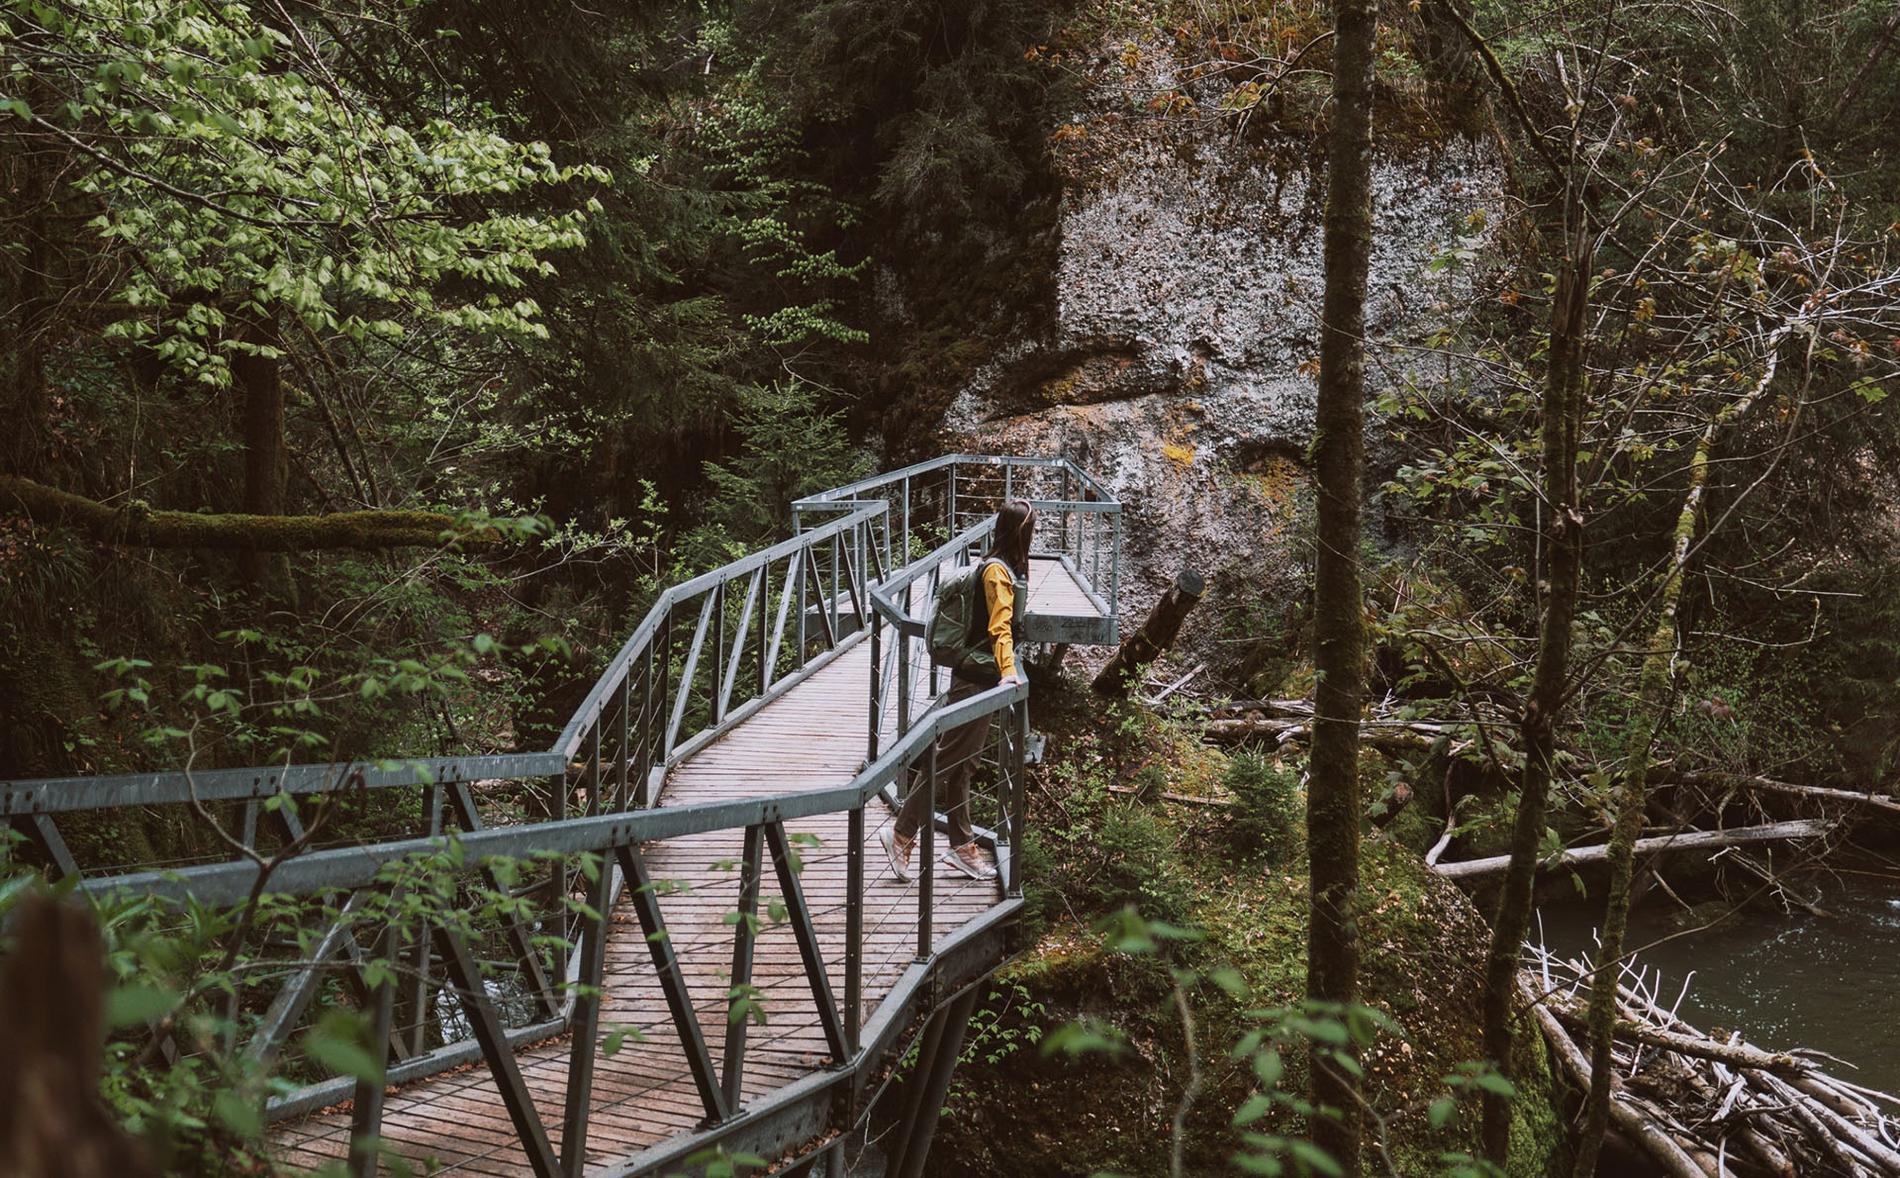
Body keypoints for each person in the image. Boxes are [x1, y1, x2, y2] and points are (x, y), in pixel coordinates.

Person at [878, 499, 1035, 882]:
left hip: (974, 675)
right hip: (977, 678)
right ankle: (901, 833)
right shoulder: (997, 574)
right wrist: (1008, 670)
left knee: (963, 764)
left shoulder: (993, 565)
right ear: (1021, 532)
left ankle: (962, 845)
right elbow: (1000, 627)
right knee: (947, 759)